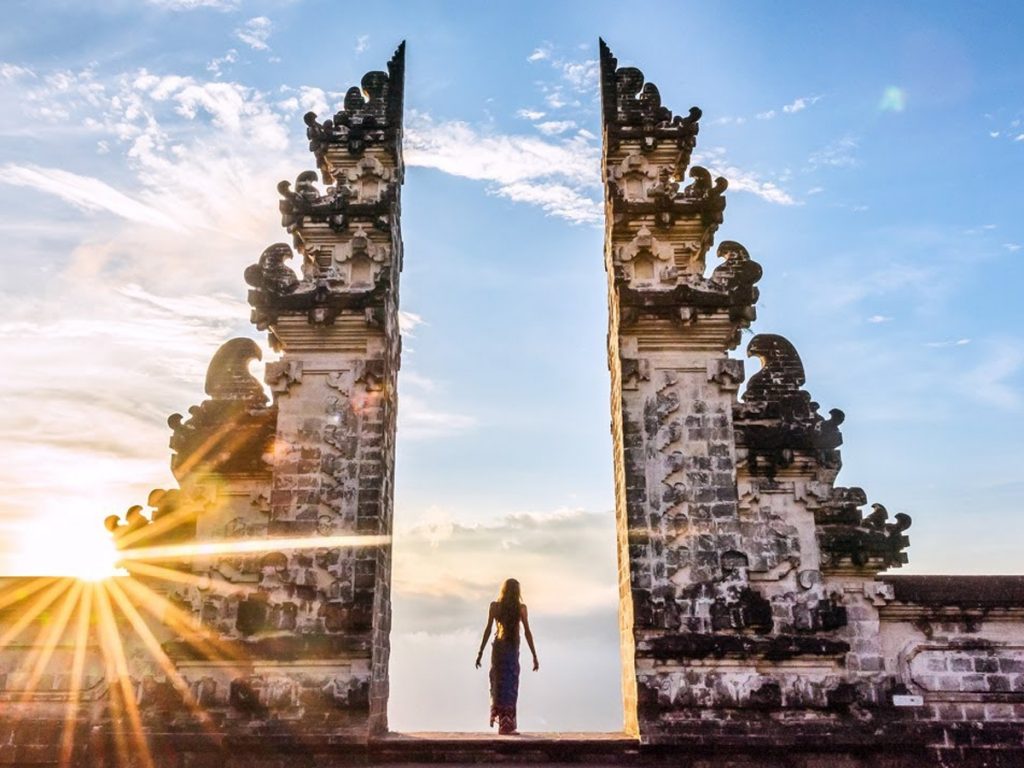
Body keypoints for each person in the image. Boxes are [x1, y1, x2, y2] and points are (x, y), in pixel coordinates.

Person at [474, 578, 539, 735]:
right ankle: (507, 725)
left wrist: (481, 652)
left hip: (498, 650)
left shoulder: (495, 607)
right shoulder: (520, 608)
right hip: (510, 650)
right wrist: (534, 656)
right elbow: (528, 633)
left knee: (499, 684)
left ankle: (503, 724)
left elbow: (488, 630)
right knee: (510, 685)